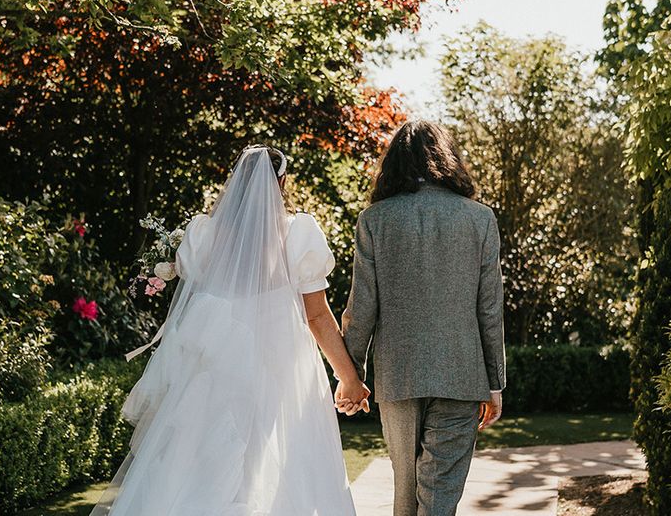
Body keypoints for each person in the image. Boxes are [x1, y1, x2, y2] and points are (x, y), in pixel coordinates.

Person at [93, 144, 369, 516]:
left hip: (212, 369)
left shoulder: (202, 236)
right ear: (281, 182)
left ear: (234, 183)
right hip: (279, 372)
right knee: (269, 469)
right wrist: (348, 377)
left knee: (198, 466)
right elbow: (317, 317)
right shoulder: (298, 235)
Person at [340, 119, 506, 516]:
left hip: (398, 375)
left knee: (406, 490)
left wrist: (352, 376)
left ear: (394, 162)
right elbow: (489, 307)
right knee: (439, 493)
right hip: (461, 374)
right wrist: (494, 381)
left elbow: (361, 307)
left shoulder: (374, 220)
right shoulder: (479, 219)